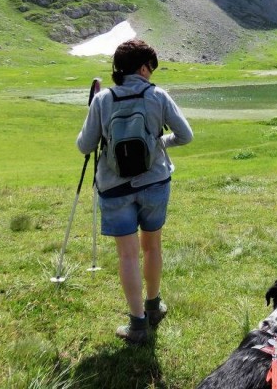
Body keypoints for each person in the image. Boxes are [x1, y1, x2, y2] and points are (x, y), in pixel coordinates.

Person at [76, 39, 194, 344]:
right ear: (143, 67)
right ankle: (154, 306)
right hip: (155, 182)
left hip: (114, 188)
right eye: (151, 68)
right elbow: (185, 135)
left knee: (127, 255)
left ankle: (137, 324)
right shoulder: (158, 96)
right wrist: (159, 144)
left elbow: (84, 146)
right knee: (152, 246)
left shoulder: (103, 100)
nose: (151, 73)